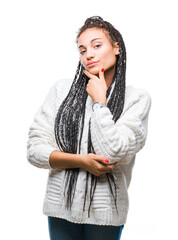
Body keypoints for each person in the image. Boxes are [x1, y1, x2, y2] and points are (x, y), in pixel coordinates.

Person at [27, 16, 151, 240]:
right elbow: (35, 150)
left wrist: (99, 102)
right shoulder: (61, 91)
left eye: (96, 45)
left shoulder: (136, 99)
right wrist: (81, 162)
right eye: (82, 50)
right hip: (60, 209)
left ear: (116, 48)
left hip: (105, 214)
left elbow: (111, 153)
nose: (89, 55)